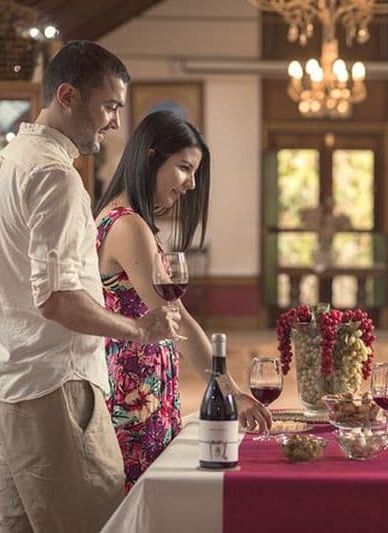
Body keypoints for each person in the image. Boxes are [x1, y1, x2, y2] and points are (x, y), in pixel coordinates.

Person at [0, 41, 181, 532]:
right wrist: (139, 329)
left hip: (10, 381)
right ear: (67, 96)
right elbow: (58, 300)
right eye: (109, 106)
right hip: (56, 390)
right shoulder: (56, 177)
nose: (116, 122)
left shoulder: (6, 162)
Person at [93, 110, 272, 489]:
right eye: (184, 168)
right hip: (134, 393)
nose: (191, 184)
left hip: (137, 385)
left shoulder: (117, 218)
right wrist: (230, 391)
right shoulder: (128, 225)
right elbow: (176, 317)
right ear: (151, 158)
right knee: (142, 499)